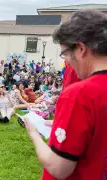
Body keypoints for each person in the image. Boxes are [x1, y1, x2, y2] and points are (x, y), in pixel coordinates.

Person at [25, 10, 107, 180]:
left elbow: (59, 168)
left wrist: (33, 134)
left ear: (81, 48)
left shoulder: (80, 94)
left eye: (65, 54)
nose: (67, 62)